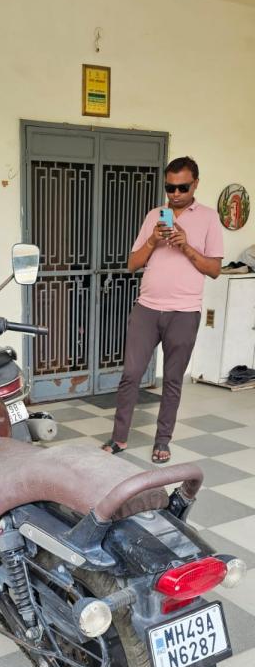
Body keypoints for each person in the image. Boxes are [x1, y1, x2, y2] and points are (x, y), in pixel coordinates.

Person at [103, 156, 223, 463]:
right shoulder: (154, 215)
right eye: (170, 187)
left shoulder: (209, 218)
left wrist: (185, 245)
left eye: (182, 187)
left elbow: (214, 270)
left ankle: (163, 441)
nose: (175, 193)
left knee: (172, 379)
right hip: (147, 308)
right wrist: (154, 240)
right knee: (130, 374)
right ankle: (119, 438)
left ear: (196, 183)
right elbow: (132, 264)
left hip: (184, 312)